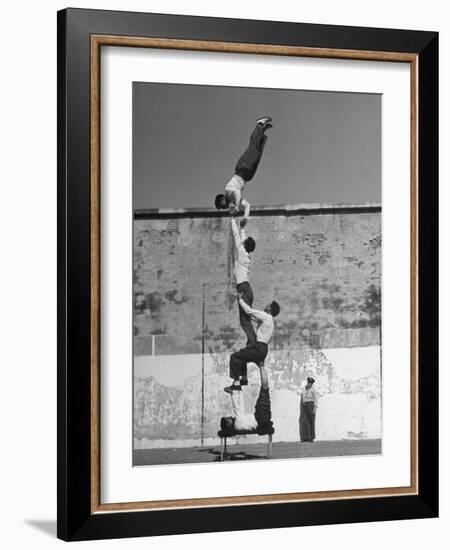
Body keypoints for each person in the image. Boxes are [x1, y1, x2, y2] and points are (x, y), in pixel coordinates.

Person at [215, 116, 273, 225]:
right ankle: (262, 131)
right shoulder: (234, 199)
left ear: (222, 199)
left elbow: (237, 192)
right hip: (248, 176)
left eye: (222, 206)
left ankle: (259, 124)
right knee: (258, 154)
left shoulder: (228, 191)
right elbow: (247, 205)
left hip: (242, 168)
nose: (225, 207)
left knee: (253, 148)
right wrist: (245, 218)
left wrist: (237, 207)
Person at [224, 296, 280, 393]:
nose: (266, 305)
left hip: (258, 348)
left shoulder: (265, 316)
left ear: (270, 309)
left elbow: (249, 311)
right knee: (244, 355)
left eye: (268, 305)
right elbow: (253, 317)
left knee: (235, 357)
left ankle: (236, 384)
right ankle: (244, 379)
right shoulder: (270, 320)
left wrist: (240, 299)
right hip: (263, 350)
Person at [230, 217, 257, 371]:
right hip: (247, 289)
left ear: (245, 245)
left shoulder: (241, 251)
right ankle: (251, 342)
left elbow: (236, 236)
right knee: (246, 320)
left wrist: (233, 219)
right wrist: (243, 228)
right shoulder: (245, 254)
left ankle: (253, 344)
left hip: (243, 289)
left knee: (244, 321)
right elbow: (242, 238)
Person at [221, 367, 273, 432]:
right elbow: (237, 406)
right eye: (227, 419)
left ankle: (238, 384)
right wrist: (233, 393)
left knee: (265, 389)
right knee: (265, 388)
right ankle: (261, 365)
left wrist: (236, 391)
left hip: (262, 418)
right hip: (260, 416)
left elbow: (240, 405)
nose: (229, 417)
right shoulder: (238, 422)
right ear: (228, 424)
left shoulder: (238, 425)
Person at [299, 377, 318, 442]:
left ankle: (311, 437)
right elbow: (302, 397)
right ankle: (305, 437)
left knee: (311, 421)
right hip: (304, 406)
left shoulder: (313, 390)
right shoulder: (304, 389)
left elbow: (315, 400)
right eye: (308, 383)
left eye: (310, 383)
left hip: (311, 405)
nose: (309, 384)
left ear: (312, 384)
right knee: (304, 421)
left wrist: (314, 408)